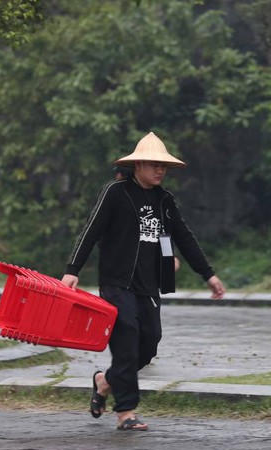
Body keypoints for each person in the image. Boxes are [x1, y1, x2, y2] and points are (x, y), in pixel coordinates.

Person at [62, 132, 225, 431]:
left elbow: (182, 237)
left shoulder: (165, 200)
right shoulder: (115, 193)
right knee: (126, 341)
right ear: (137, 166)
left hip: (148, 284)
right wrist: (73, 269)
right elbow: (91, 231)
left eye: (162, 166)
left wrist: (208, 274)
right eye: (153, 165)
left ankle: (104, 381)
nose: (159, 171)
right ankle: (126, 412)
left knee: (148, 345)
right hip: (116, 282)